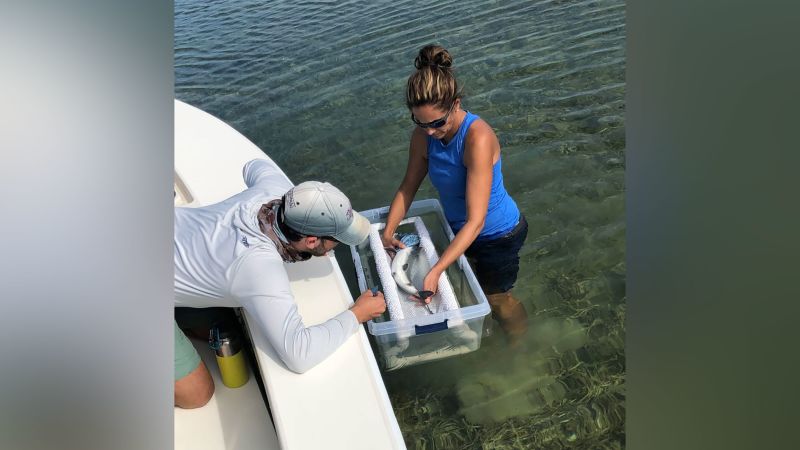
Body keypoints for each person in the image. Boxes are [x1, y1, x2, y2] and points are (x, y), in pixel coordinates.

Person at [173, 158, 386, 408]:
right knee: (197, 394)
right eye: (335, 241)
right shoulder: (259, 268)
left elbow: (254, 165)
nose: (335, 248)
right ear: (310, 241)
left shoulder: (276, 190)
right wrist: (357, 314)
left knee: (224, 324)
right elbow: (299, 354)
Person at [381, 44, 528, 345]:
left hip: (497, 235)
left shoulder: (478, 138)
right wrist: (389, 231)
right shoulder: (424, 135)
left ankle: (520, 347)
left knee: (497, 297)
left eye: (437, 123)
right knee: (471, 287)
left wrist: (435, 270)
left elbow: (476, 221)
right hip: (462, 232)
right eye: (419, 122)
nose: (430, 131)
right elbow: (408, 186)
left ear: (456, 104)